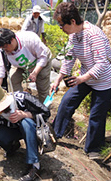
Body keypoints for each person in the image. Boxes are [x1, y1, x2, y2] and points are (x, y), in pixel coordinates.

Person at [51, 2, 111, 159]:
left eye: (61, 25)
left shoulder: (94, 34)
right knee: (67, 101)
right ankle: (54, 134)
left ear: (72, 21)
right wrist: (57, 80)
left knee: (96, 115)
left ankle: (94, 149)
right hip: (84, 77)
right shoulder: (73, 35)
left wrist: (81, 79)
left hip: (103, 81)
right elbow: (69, 59)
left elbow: (102, 63)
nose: (61, 29)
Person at [0, 28, 52, 103]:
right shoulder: (4, 51)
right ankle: (18, 104)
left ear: (12, 40)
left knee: (43, 88)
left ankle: (45, 110)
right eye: (2, 48)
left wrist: (35, 73)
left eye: (5, 47)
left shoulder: (30, 39)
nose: (5, 50)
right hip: (21, 65)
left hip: (40, 62)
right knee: (12, 80)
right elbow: (0, 71)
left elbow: (43, 57)